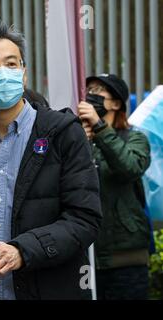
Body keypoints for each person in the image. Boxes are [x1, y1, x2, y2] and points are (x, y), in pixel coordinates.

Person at [0, 24, 102, 300]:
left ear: (24, 74)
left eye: (11, 64)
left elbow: (84, 218)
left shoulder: (62, 132)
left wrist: (24, 249)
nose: (3, 73)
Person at [78, 74, 151, 300]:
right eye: (89, 89)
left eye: (99, 90)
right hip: (86, 260)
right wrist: (79, 141)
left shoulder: (135, 139)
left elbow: (129, 167)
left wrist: (100, 127)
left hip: (125, 259)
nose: (91, 94)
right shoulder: (78, 138)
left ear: (116, 103)